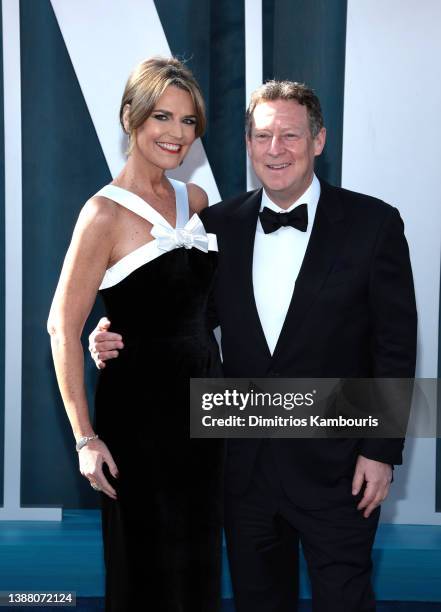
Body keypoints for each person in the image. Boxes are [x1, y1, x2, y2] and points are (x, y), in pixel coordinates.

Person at [89, 80, 417, 611]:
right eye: (262, 136)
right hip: (243, 469)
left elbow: (395, 346)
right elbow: (183, 317)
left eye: (290, 135)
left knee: (345, 601)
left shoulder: (373, 223)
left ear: (319, 140)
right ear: (247, 144)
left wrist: (380, 451)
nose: (274, 149)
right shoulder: (219, 225)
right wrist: (109, 333)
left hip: (338, 468)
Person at [48, 57, 224, 612]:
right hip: (139, 422)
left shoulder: (195, 201)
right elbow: (60, 324)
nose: (177, 134)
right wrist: (84, 437)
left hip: (204, 414)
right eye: (163, 118)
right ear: (131, 117)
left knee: (197, 565)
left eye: (189, 122)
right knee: (145, 570)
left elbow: (206, 307)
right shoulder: (102, 213)